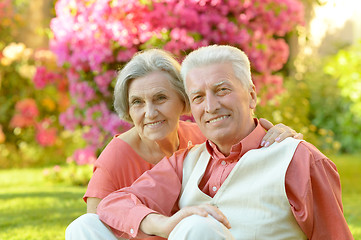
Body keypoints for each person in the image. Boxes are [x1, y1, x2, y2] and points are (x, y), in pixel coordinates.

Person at [66, 48, 304, 240]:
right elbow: (101, 222)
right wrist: (161, 225)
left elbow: (241, 140)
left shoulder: (203, 139)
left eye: (160, 98)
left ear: (183, 101)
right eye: (137, 102)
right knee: (83, 225)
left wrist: (274, 133)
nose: (150, 112)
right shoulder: (116, 157)